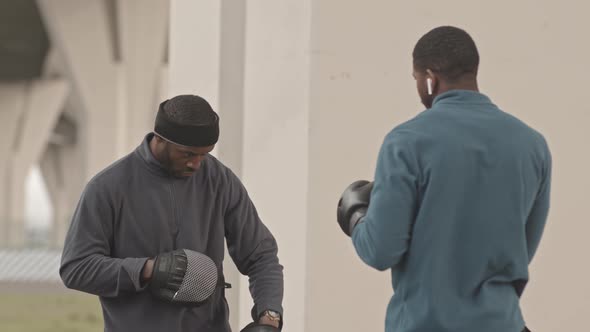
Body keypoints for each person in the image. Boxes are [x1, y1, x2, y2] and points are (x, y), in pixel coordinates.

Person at [337, 26, 551, 332]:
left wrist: (356, 216)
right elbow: (522, 250)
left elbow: (380, 250)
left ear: (429, 79)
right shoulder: (533, 145)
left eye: (416, 80)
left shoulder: (406, 142)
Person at [60, 95, 284, 332]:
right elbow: (76, 267)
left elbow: (262, 256)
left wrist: (269, 317)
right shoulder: (107, 188)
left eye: (204, 154)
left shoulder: (220, 180)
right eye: (187, 154)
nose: (196, 164)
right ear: (160, 138)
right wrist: (146, 270)